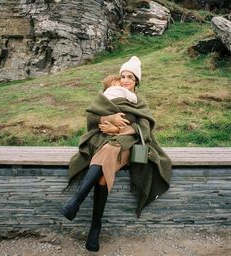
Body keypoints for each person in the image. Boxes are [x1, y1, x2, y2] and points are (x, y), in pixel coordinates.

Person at [60, 56, 172, 252]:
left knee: (110, 150)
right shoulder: (109, 95)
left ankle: (76, 202)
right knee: (103, 177)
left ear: (137, 80)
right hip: (102, 140)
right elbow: (92, 115)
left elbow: (144, 128)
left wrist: (118, 130)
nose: (126, 80)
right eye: (123, 76)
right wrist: (109, 117)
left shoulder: (139, 102)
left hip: (128, 145)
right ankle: (95, 228)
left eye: (130, 77)